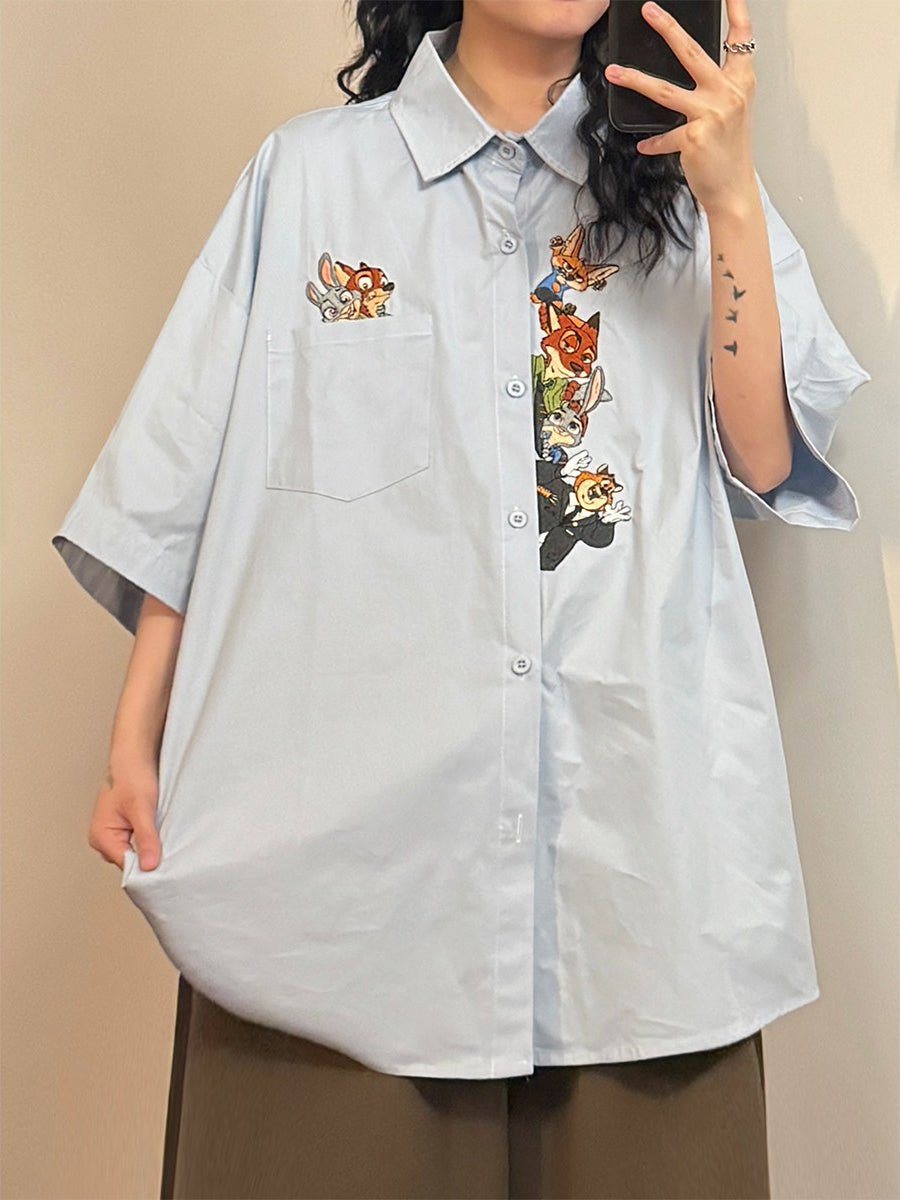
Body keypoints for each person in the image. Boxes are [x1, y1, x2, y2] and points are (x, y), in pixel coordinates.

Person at [52, 0, 871, 1196]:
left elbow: (765, 454)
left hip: (635, 882)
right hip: (352, 883)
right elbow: (190, 472)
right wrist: (135, 738)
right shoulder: (310, 180)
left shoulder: (690, 184)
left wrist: (732, 195)